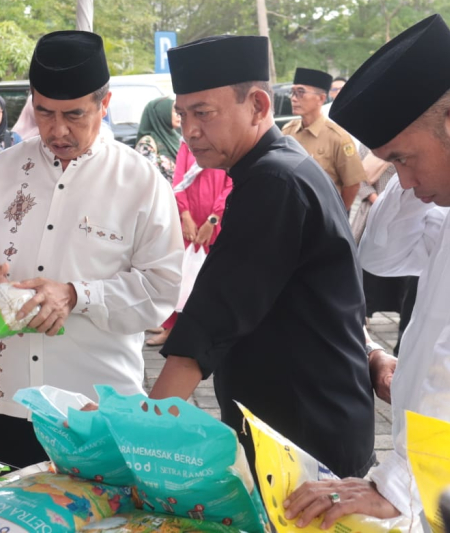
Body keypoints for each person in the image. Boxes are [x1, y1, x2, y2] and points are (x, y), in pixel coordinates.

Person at [286, 15, 450, 530]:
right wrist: (411, 169)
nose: (403, 182)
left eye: (405, 160)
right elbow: (384, 254)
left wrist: (398, 482)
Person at [0, 30, 182, 468]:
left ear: (104, 104)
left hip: (98, 409)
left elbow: (160, 290)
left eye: (74, 114)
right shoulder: (0, 173)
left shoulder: (141, 181)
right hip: (4, 402)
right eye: (44, 112)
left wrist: (77, 295)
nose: (57, 130)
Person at [150, 35, 376, 481]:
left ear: (256, 105)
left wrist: (143, 432)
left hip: (305, 432)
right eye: (183, 114)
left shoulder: (276, 181)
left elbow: (210, 322)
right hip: (295, 416)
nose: (189, 130)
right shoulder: (274, 165)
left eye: (204, 113)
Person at [146, 139, 232, 347]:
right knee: (179, 275)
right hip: (188, 221)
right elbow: (179, 180)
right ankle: (171, 327)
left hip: (214, 222)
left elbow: (229, 184)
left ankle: (199, 330)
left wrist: (213, 219)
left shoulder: (224, 144)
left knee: (207, 278)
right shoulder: (188, 145)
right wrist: (185, 215)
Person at [351, 145, 418, 355]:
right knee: (366, 273)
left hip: (407, 218)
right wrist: (376, 199)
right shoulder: (367, 145)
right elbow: (358, 177)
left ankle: (400, 334)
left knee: (404, 284)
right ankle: (363, 321)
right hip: (375, 212)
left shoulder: (412, 140)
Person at [282, 68, 364, 209]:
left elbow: (352, 184)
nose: (293, 98)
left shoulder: (337, 137)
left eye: (300, 92)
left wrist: (336, 214)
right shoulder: (288, 132)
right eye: (293, 92)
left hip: (321, 216)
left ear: (321, 98)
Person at [133, 96, 180, 182]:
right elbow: (146, 178)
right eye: (174, 111)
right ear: (162, 113)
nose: (178, 114)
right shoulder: (146, 144)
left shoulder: (177, 138)